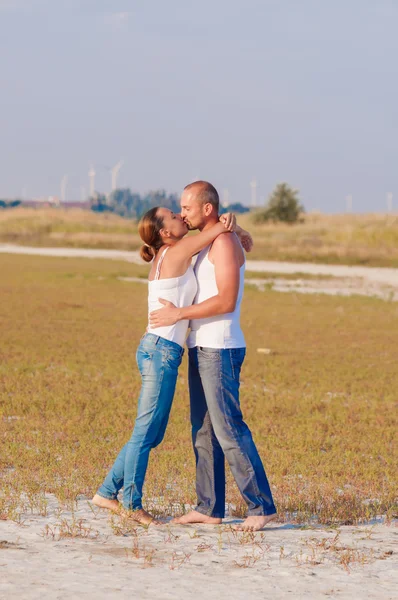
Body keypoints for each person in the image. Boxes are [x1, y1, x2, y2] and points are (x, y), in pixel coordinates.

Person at [92, 205, 250, 525]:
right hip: (161, 352)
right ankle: (131, 504)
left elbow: (229, 239)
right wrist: (226, 221)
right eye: (175, 217)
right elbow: (214, 232)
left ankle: (106, 493)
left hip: (159, 350)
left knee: (150, 431)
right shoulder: (176, 252)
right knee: (147, 432)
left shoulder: (171, 253)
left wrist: (234, 227)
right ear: (165, 233)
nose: (181, 217)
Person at [149, 181, 277, 531]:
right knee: (203, 432)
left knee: (229, 430)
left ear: (207, 209)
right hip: (201, 347)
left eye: (186, 208)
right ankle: (209, 507)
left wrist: (179, 314)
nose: (182, 214)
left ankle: (261, 506)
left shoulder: (222, 242)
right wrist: (238, 227)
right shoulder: (209, 241)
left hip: (220, 348)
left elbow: (226, 301)